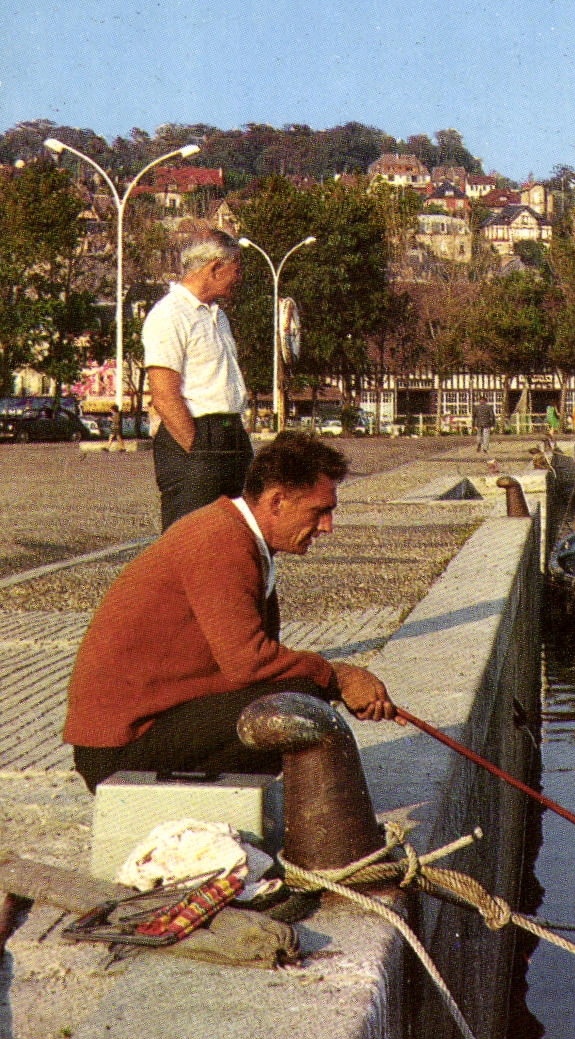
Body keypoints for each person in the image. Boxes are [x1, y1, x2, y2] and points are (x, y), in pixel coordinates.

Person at [62, 430, 395, 794]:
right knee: (295, 701)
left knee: (291, 698)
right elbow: (248, 663)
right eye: (319, 512)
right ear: (277, 501)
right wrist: (336, 677)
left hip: (140, 728)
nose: (327, 527)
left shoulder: (236, 534)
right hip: (119, 748)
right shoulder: (220, 540)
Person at [143, 230, 255, 532]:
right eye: (237, 269)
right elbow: (165, 396)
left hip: (229, 433)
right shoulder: (169, 314)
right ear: (215, 268)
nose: (239, 277)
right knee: (189, 540)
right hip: (195, 437)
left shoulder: (218, 316)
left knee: (231, 538)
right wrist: (199, 452)